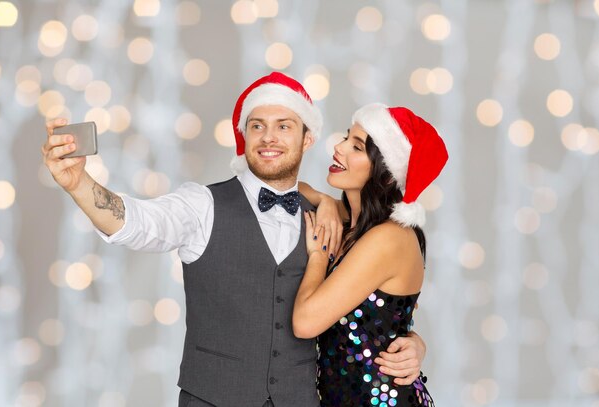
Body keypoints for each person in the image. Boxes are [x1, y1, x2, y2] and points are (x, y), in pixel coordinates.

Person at [41, 73, 427, 407]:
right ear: (243, 135)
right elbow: (139, 222)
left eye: (284, 126)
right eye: (257, 125)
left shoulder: (344, 225)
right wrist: (79, 185)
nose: (269, 137)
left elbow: (377, 310)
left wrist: (412, 341)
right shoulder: (203, 204)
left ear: (307, 138)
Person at [293, 103, 448, 407]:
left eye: (356, 146)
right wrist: (324, 200)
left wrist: (319, 254)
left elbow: (305, 322)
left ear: (387, 175)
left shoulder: (390, 238)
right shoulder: (353, 223)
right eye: (346, 137)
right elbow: (286, 187)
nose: (338, 147)